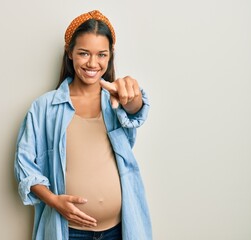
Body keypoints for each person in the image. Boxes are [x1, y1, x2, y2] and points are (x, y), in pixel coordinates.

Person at [14, 10, 152, 240]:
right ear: (70, 53)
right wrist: (54, 201)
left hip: (120, 230)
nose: (92, 63)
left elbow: (135, 111)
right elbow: (25, 165)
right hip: (70, 232)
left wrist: (132, 95)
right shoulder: (45, 107)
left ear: (110, 57)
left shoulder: (115, 101)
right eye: (84, 53)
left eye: (101, 55)